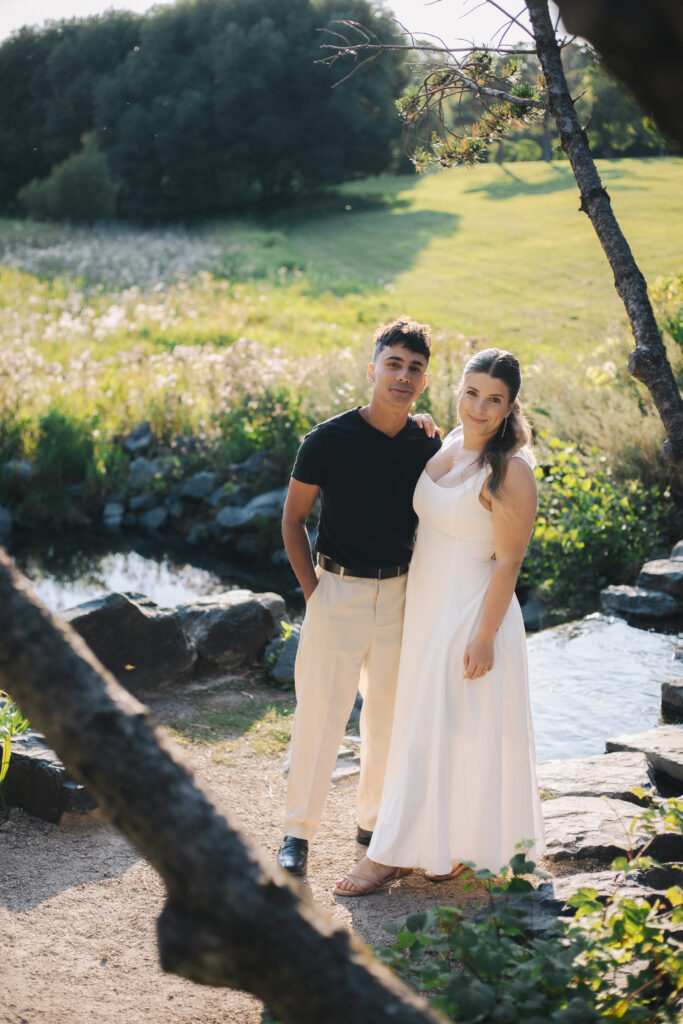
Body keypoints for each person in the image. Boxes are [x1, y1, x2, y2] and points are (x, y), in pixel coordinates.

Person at [334, 348, 545, 896]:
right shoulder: (448, 440)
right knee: (433, 724)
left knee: (439, 724)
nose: (479, 407)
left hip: (471, 610)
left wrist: (483, 637)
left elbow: (509, 561)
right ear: (457, 389)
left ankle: (390, 854)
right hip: (427, 604)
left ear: (509, 406)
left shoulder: (512, 470)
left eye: (493, 399)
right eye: (472, 392)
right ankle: (445, 848)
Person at [276, 317, 442, 876]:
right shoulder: (326, 440)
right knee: (319, 716)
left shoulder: (426, 443)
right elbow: (293, 520)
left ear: (423, 381)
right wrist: (312, 592)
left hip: (401, 595)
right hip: (336, 591)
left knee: (388, 721)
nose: (402, 375)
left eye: (414, 368)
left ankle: (372, 823)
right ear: (372, 369)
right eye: (393, 364)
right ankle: (297, 831)